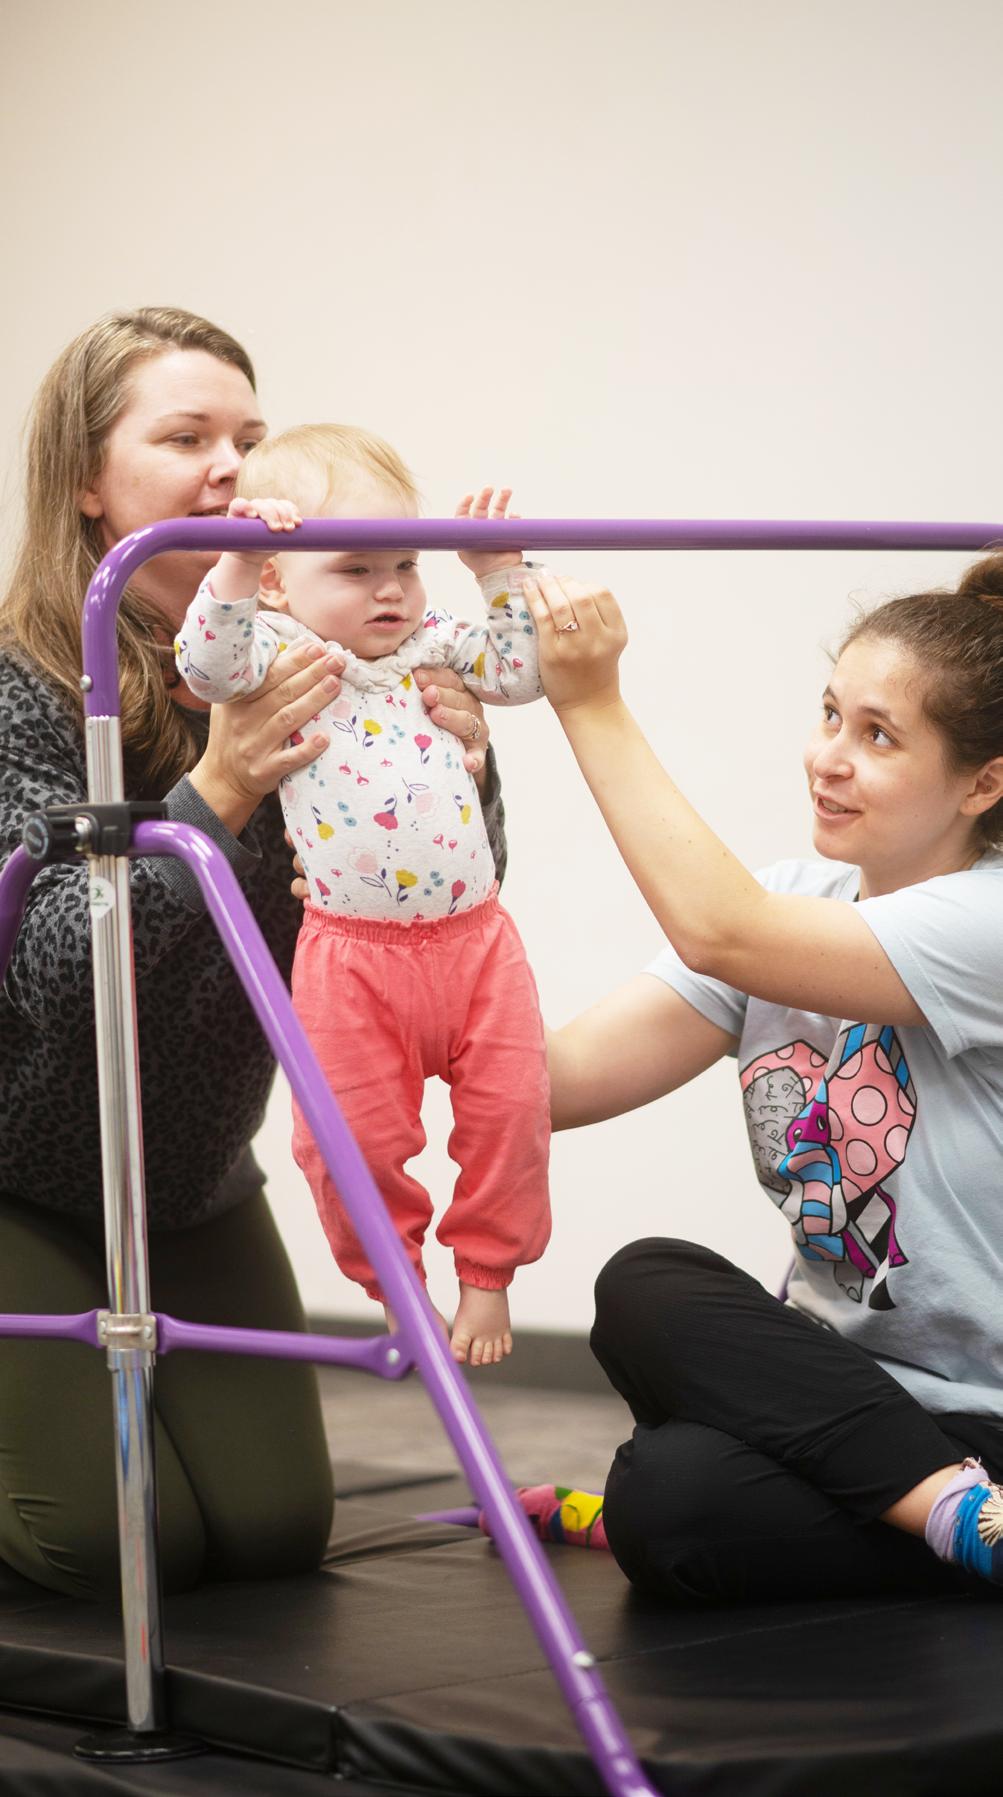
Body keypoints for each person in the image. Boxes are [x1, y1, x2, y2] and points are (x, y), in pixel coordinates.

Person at [0, 308, 500, 1599]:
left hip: (194, 1177)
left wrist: (465, 766)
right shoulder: (24, 687)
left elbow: (434, 897)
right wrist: (215, 793)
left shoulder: (330, 654)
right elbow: (58, 977)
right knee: (110, 1544)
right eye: (186, 438)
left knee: (272, 1532)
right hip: (21, 1179)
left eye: (249, 436)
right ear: (87, 484)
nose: (230, 467)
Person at [504, 559, 1003, 1602]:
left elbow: (721, 929)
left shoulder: (985, 922)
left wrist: (588, 700)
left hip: (986, 1409)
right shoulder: (792, 900)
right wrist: (389, 930)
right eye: (830, 714)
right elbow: (552, 1083)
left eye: (878, 736)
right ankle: (949, 1515)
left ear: (982, 783)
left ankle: (953, 1506)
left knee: (669, 1493)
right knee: (660, 1416)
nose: (828, 758)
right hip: (845, 1388)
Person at [174, 424, 551, 1366]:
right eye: (355, 568)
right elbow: (203, 668)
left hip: (477, 943)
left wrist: (498, 573)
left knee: (511, 1114)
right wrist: (233, 562)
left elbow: (521, 673)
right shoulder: (274, 648)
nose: (390, 589)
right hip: (351, 957)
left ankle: (487, 1275)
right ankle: (396, 1284)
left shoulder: (432, 638)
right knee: (347, 1141)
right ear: (278, 581)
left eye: (405, 563)